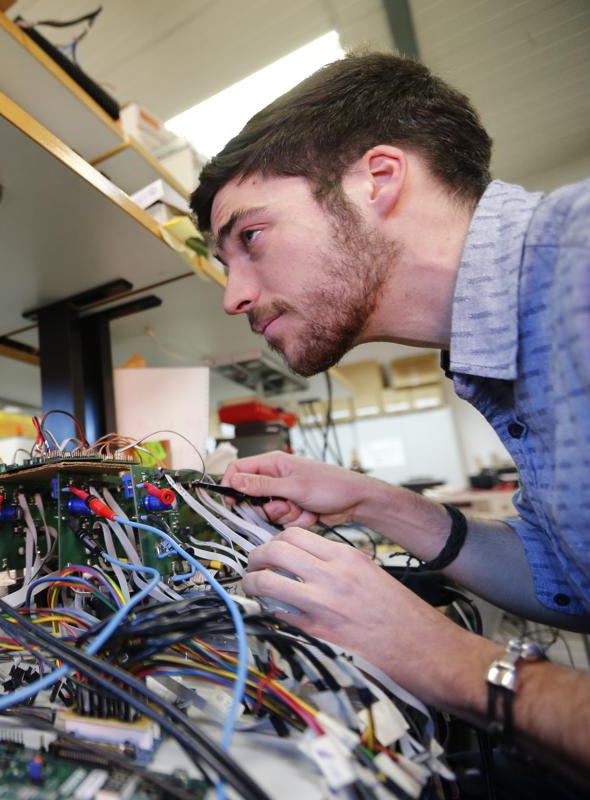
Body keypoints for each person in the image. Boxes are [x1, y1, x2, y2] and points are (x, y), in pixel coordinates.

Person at [189, 51, 590, 783]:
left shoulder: (582, 264)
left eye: (249, 238)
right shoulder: (493, 350)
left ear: (378, 178)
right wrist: (375, 503)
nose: (234, 297)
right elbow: (570, 581)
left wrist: (452, 660)